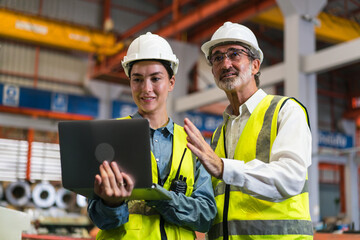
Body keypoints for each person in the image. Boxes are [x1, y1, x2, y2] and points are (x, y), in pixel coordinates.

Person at [184, 21, 313, 239]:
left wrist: (224, 167)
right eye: (217, 58)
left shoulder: (286, 111)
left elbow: (291, 178)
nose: (225, 64)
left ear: (255, 65)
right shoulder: (218, 135)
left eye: (235, 54)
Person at [87, 32, 217, 239]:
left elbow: (206, 216)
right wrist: (111, 204)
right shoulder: (110, 136)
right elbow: (99, 219)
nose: (146, 89)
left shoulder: (192, 142)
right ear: (130, 83)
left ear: (171, 82)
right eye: (137, 79)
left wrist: (159, 197)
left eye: (155, 78)